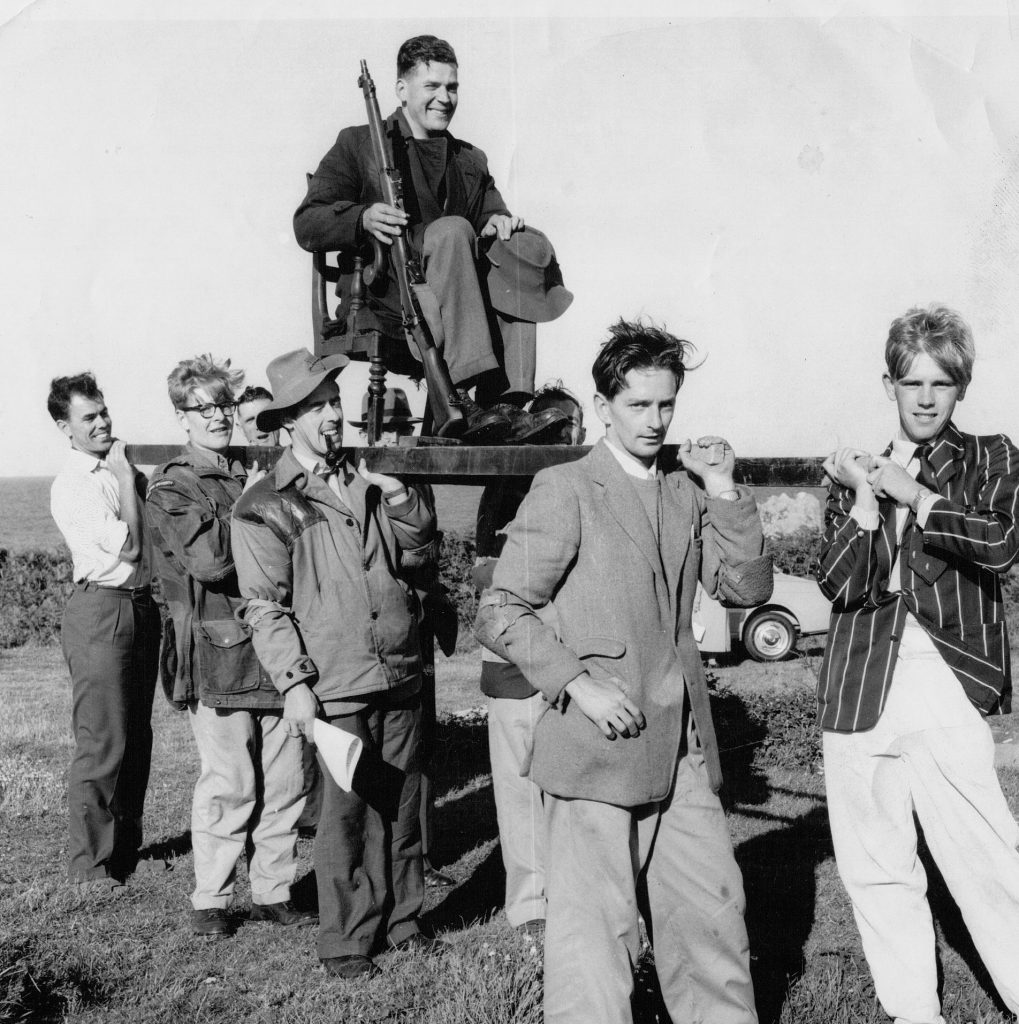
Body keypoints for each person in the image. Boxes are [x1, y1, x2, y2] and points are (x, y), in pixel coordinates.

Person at [474, 320, 771, 1024]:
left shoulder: (684, 491)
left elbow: (745, 589)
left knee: (712, 924)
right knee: (594, 947)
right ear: (603, 406)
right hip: (595, 750)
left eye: (666, 404)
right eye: (638, 405)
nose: (654, 421)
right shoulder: (565, 488)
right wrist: (575, 682)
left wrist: (723, 487)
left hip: (681, 751)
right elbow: (499, 608)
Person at [816, 304, 1019, 1023]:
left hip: (947, 679)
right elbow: (838, 585)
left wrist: (915, 495)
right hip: (858, 684)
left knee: (987, 857)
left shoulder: (991, 456)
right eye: (911, 383)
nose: (926, 399)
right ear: (889, 386)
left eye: (941, 383)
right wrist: (864, 499)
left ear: (961, 387)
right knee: (876, 867)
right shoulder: (856, 471)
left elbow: (999, 544)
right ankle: (913, 1013)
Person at [231, 349, 437, 979]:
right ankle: (346, 941)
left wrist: (400, 498)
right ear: (287, 421)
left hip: (398, 668)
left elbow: (418, 553)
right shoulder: (263, 504)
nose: (331, 416)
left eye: (333, 401)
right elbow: (264, 607)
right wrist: (295, 684)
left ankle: (403, 922)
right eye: (315, 406)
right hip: (336, 680)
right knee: (346, 816)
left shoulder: (369, 478)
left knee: (403, 806)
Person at [293, 34, 571, 442]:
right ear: (402, 89)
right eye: (432, 86)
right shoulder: (359, 144)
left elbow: (491, 213)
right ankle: (461, 395)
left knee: (518, 246)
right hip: (390, 296)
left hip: (459, 299)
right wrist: (362, 218)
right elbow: (307, 221)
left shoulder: (470, 159)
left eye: (452, 87)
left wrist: (498, 224)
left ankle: (508, 404)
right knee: (453, 230)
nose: (445, 98)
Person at [146, 355, 314, 938]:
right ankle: (211, 899)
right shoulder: (174, 485)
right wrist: (267, 511)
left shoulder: (250, 474)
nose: (217, 416)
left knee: (286, 780)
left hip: (276, 647)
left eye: (224, 405)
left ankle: (273, 890)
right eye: (203, 408)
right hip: (217, 654)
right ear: (182, 417)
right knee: (230, 783)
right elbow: (213, 561)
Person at [472, 383, 586, 934]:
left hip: (576, 668)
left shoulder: (581, 485)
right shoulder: (505, 489)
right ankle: (532, 906)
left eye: (571, 428)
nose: (569, 437)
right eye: (560, 428)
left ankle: (580, 895)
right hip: (516, 670)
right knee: (520, 794)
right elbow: (486, 576)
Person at [47, 373, 159, 893]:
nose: (102, 424)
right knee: (102, 740)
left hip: (139, 607)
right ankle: (90, 866)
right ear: (64, 427)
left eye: (104, 412)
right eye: (88, 417)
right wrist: (128, 480)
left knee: (137, 736)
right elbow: (131, 548)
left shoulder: (116, 469)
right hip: (100, 610)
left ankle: (125, 853)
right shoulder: (75, 483)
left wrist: (128, 478)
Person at [349, 387, 458, 888]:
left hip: (416, 626)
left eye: (399, 428)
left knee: (418, 744)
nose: (392, 438)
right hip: (376, 630)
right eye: (384, 428)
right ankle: (377, 858)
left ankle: (421, 854)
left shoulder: (415, 479)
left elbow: (425, 551)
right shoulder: (359, 482)